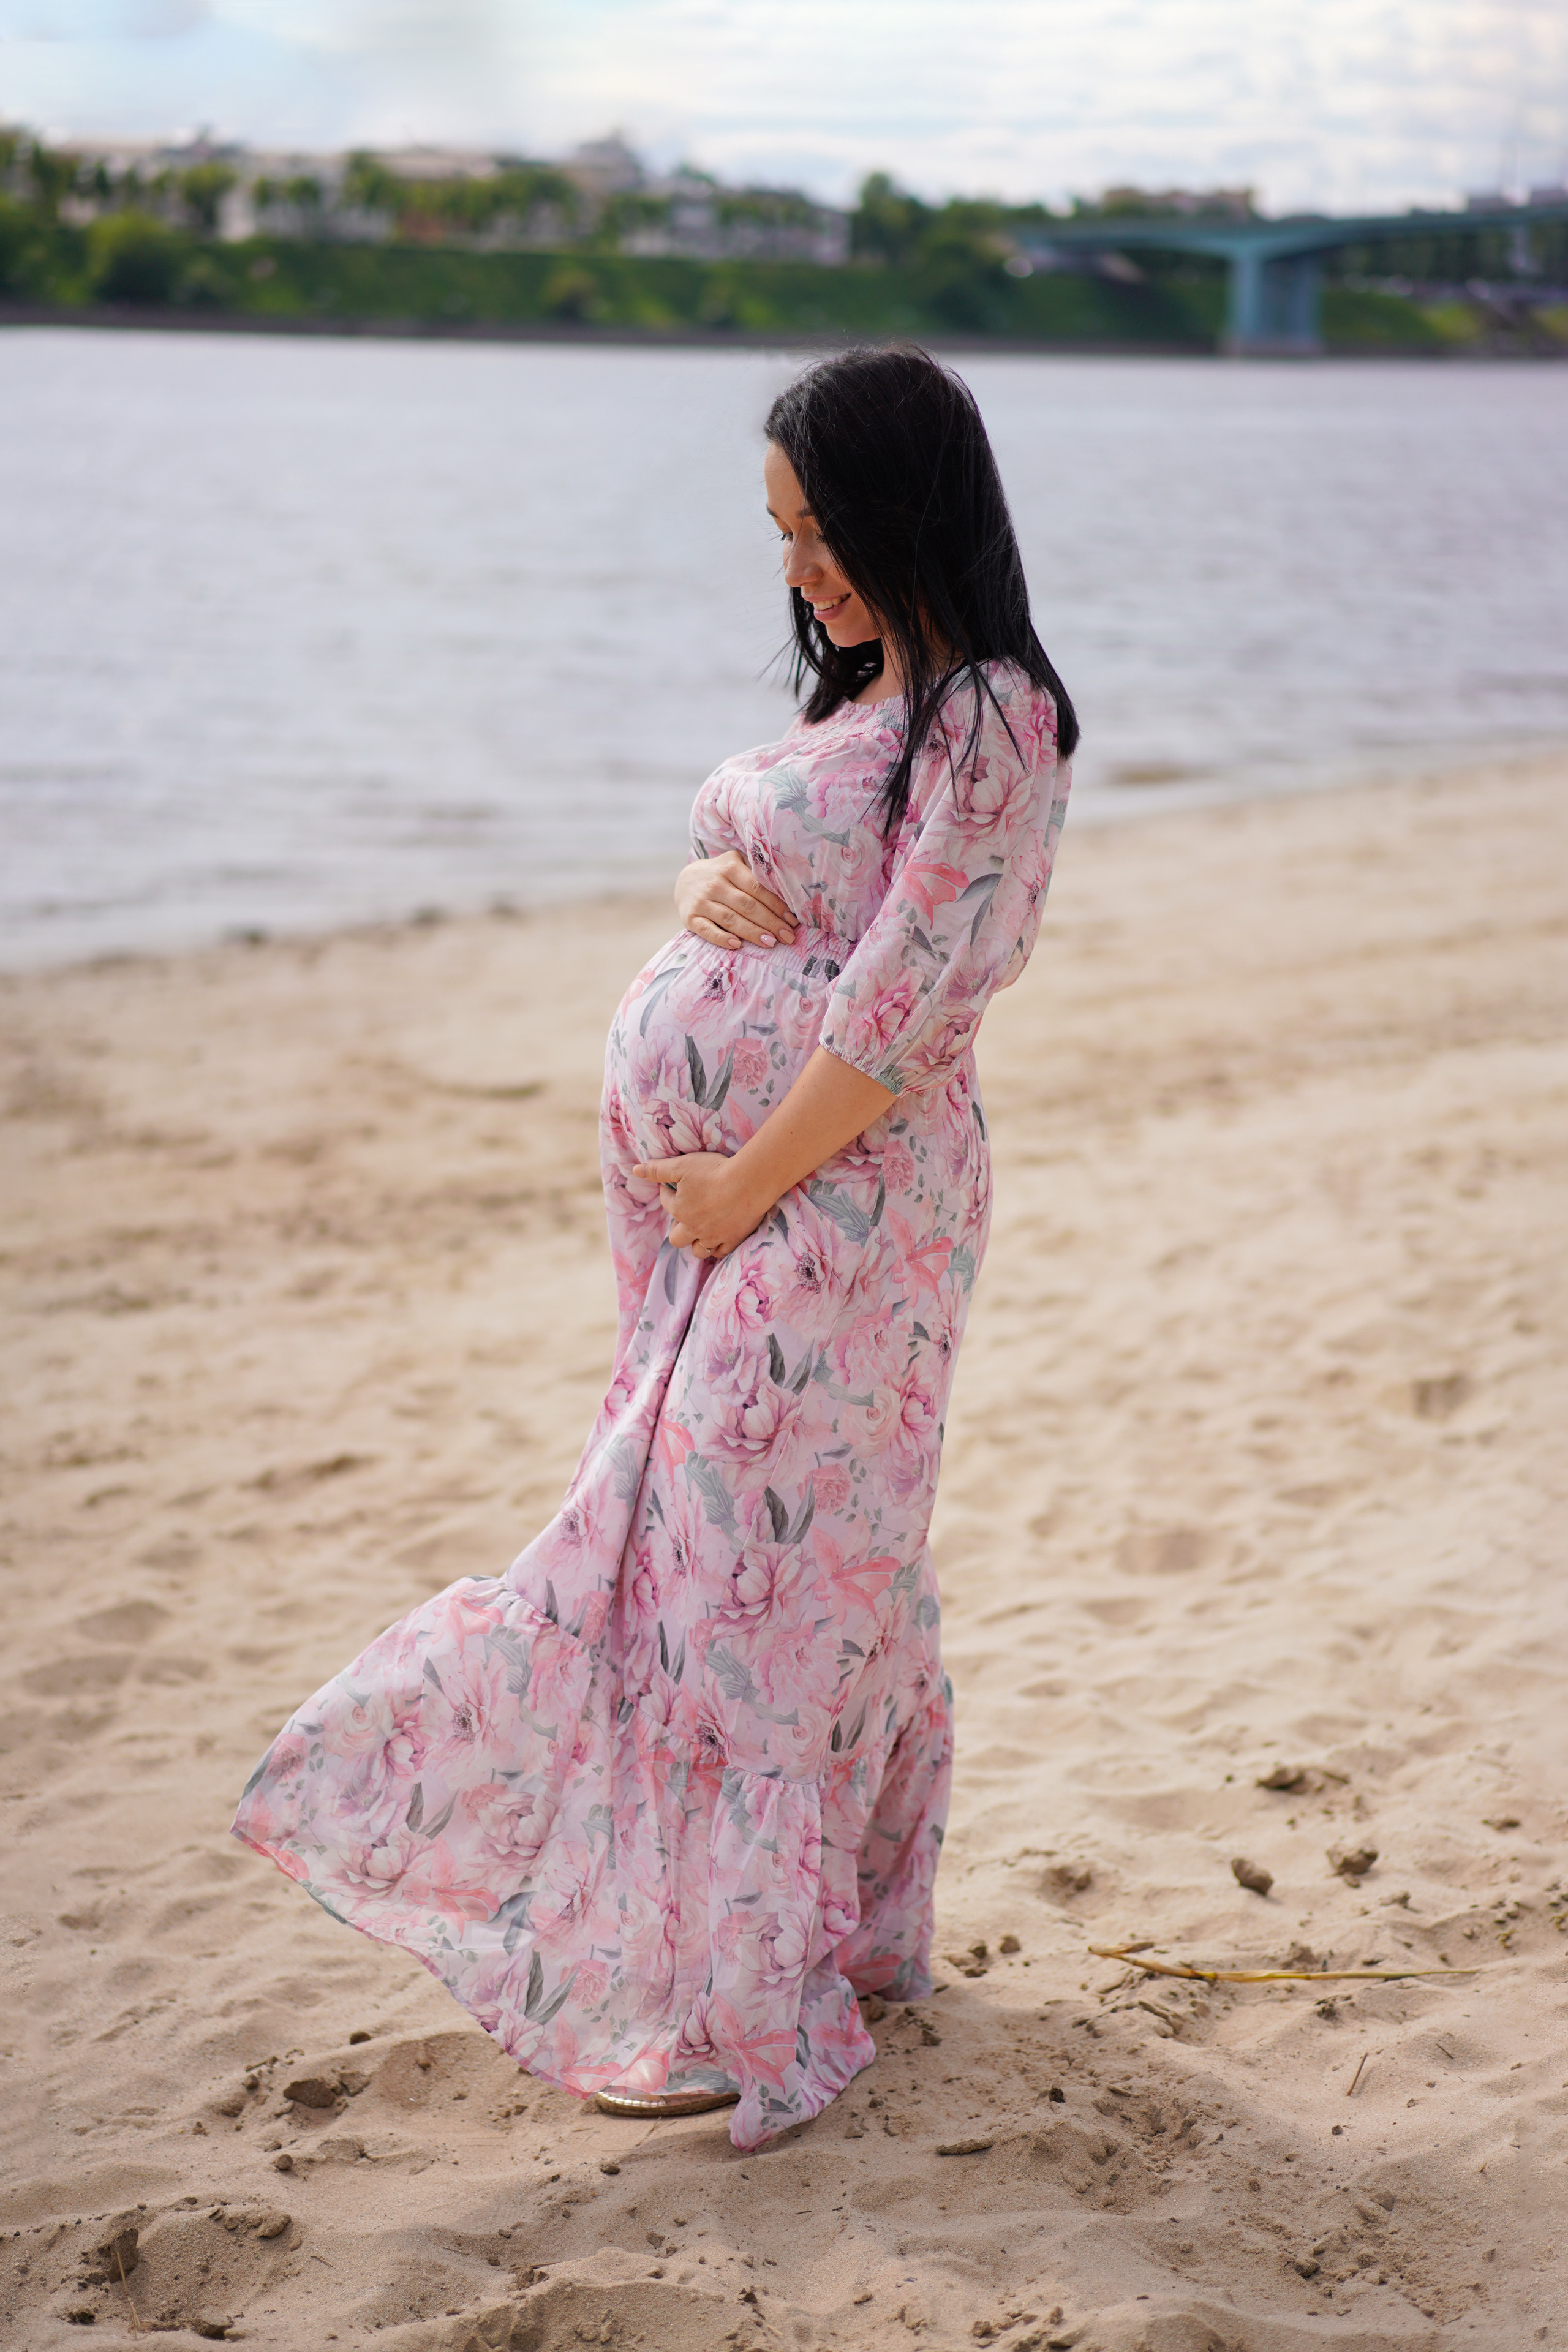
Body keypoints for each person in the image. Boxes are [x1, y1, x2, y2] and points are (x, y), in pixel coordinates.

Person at [232, 344, 1077, 2152]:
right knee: (754, 1563)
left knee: (748, 1579)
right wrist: (697, 889)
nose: (802, 571)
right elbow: (782, 879)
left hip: (836, 1210)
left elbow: (908, 1009)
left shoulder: (996, 717)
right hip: (735, 1213)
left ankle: (747, 1992)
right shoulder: (873, 702)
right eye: (780, 535)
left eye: (823, 529)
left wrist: (742, 1186)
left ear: (906, 509)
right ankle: (830, 1944)